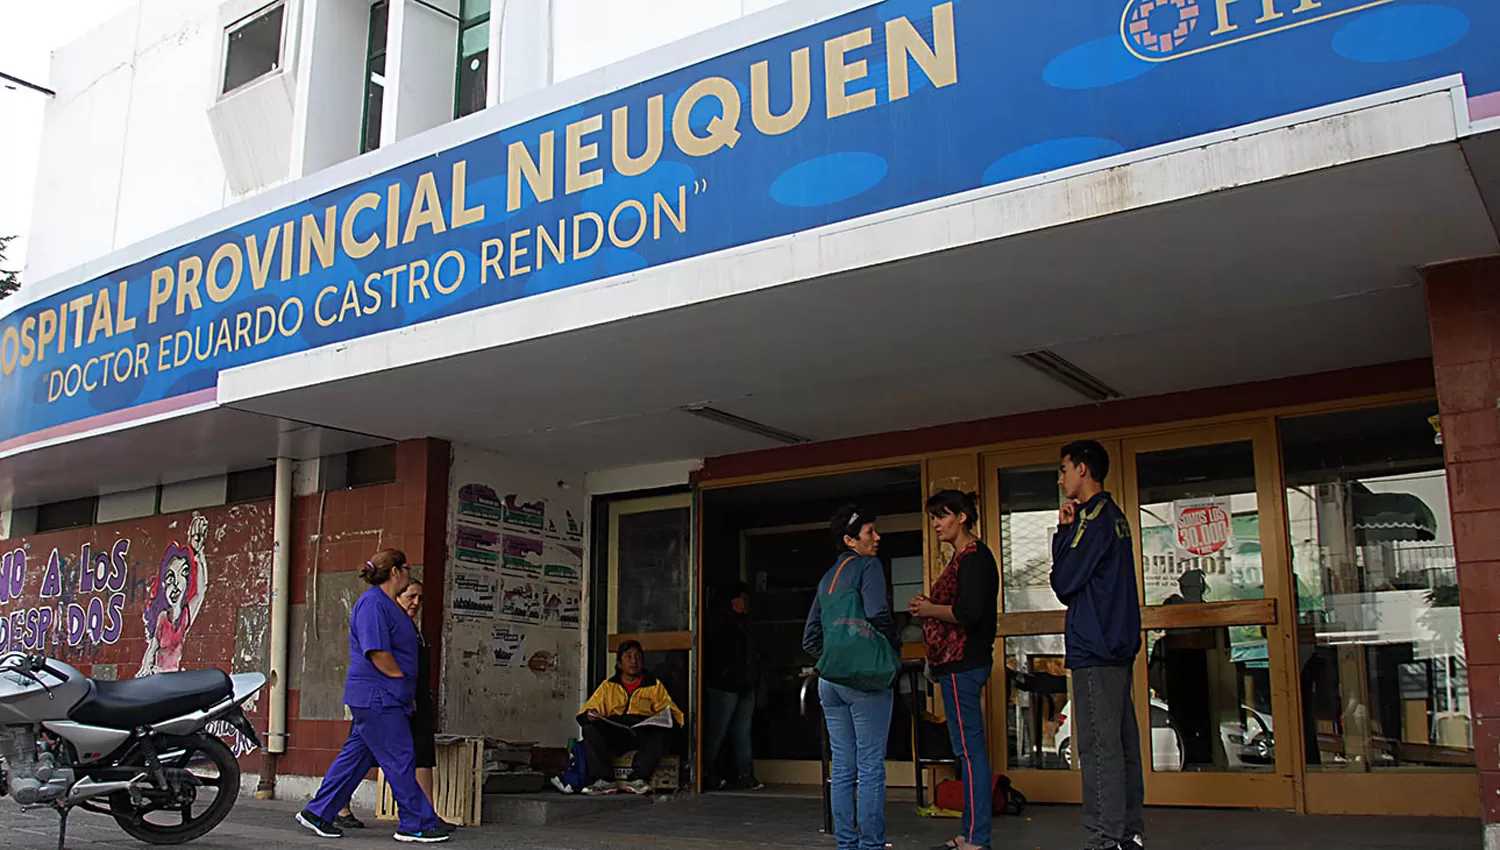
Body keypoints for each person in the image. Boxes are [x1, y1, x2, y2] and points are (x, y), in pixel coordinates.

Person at [296, 550, 449, 843]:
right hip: (378, 697)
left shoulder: (388, 605)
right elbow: (377, 652)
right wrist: (400, 681)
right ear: (394, 572)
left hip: (387, 697)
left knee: (356, 758)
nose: (408, 573)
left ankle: (318, 812)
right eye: (406, 568)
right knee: (401, 758)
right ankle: (415, 822)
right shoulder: (372, 604)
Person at [1051, 441, 1144, 850]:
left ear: (1083, 469)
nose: (1061, 478)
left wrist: (1065, 531)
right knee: (1121, 743)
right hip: (1117, 643)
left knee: (1097, 745)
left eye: (1064, 469)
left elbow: (1063, 581)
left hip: (1096, 645)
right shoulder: (1116, 517)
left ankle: (1105, 837)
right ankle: (1128, 830)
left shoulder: (1095, 520)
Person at [803, 504, 900, 850]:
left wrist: (836, 656)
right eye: (870, 532)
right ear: (850, 540)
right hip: (866, 680)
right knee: (871, 765)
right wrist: (891, 651)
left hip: (830, 683)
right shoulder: (868, 566)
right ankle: (871, 845)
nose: (877, 537)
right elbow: (877, 613)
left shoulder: (827, 578)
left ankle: (847, 843)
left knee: (843, 766)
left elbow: (810, 638)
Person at [910, 490, 999, 850]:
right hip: (953, 665)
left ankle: (976, 837)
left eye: (942, 516)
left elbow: (969, 613)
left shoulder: (975, 558)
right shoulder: (961, 558)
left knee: (970, 751)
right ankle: (969, 831)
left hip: (964, 664)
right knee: (966, 749)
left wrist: (930, 610)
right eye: (933, 517)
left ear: (962, 517)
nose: (936, 524)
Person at [336, 579, 448, 831]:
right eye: (410, 596)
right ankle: (337, 807)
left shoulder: (411, 628)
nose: (416, 602)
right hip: (385, 699)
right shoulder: (381, 615)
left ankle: (425, 814)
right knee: (369, 755)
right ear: (396, 596)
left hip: (410, 697)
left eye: (420, 597)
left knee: (418, 752)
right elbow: (378, 655)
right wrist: (399, 682)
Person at [575, 640, 685, 795]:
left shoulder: (653, 685)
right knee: (590, 729)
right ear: (619, 663)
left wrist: (667, 720)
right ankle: (606, 780)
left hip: (641, 734)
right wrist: (590, 716)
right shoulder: (608, 686)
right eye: (628, 656)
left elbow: (673, 713)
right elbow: (585, 713)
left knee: (659, 734)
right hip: (616, 733)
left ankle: (638, 779)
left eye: (638, 657)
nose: (634, 661)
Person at [704, 580, 765, 791]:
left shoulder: (742, 621)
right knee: (717, 732)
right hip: (726, 684)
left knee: (741, 731)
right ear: (734, 600)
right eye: (744, 598)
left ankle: (744, 774)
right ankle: (705, 773)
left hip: (744, 683)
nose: (747, 603)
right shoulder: (720, 621)